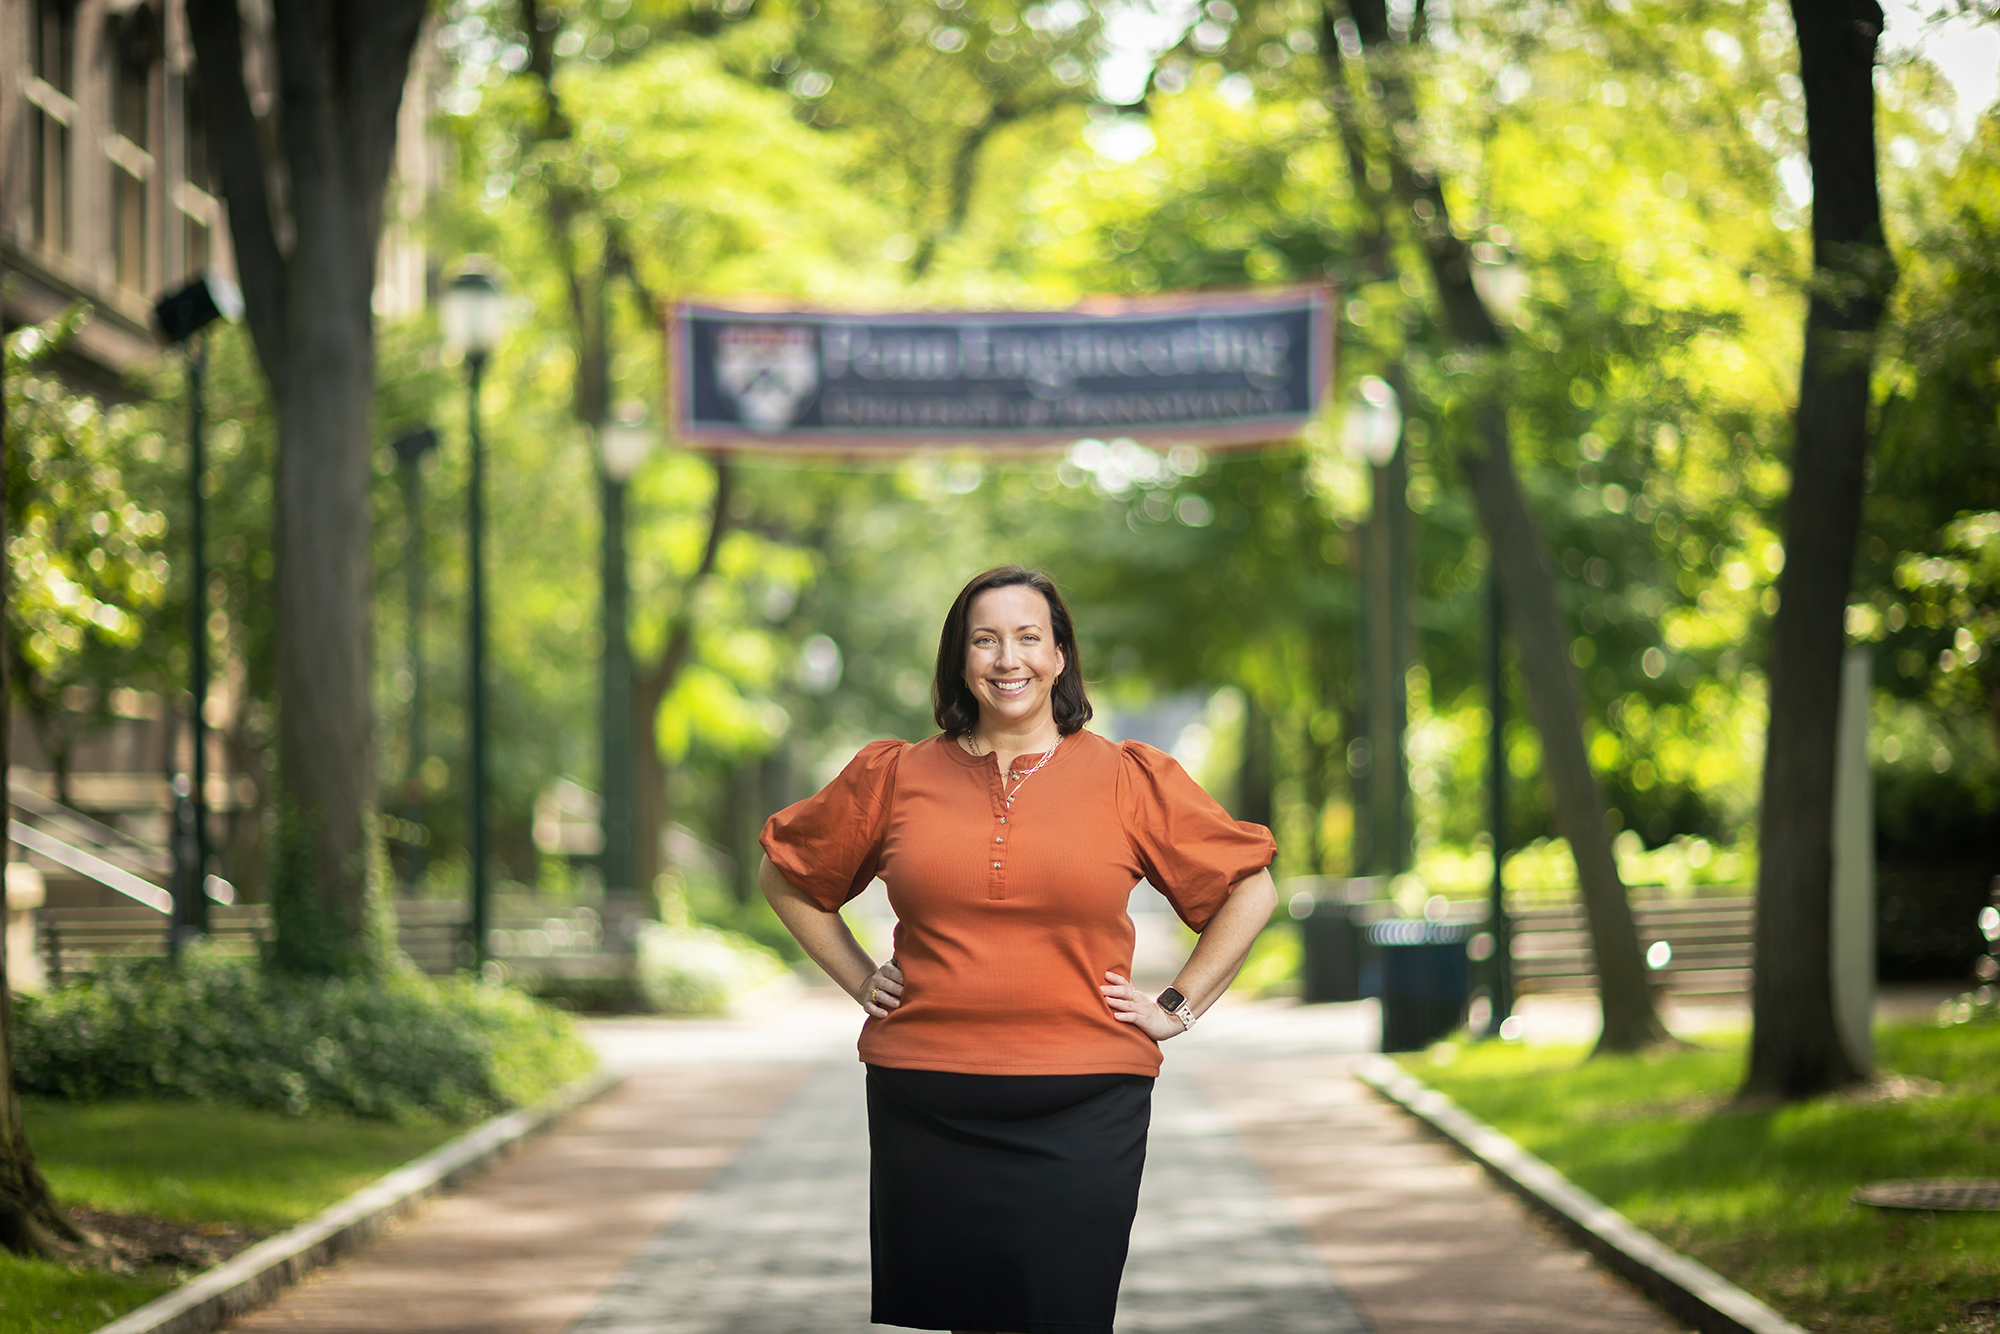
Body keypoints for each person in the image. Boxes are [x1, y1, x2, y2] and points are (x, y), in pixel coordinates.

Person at [759, 564, 1278, 1334]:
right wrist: (859, 977)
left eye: (1029, 638)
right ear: (960, 660)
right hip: (926, 1110)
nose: (1009, 659)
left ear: (1060, 655)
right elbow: (788, 877)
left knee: (1066, 1315)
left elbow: (1251, 888)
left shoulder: (1128, 777)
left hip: (1087, 1106)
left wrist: (1177, 1004)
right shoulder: (895, 775)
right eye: (986, 640)